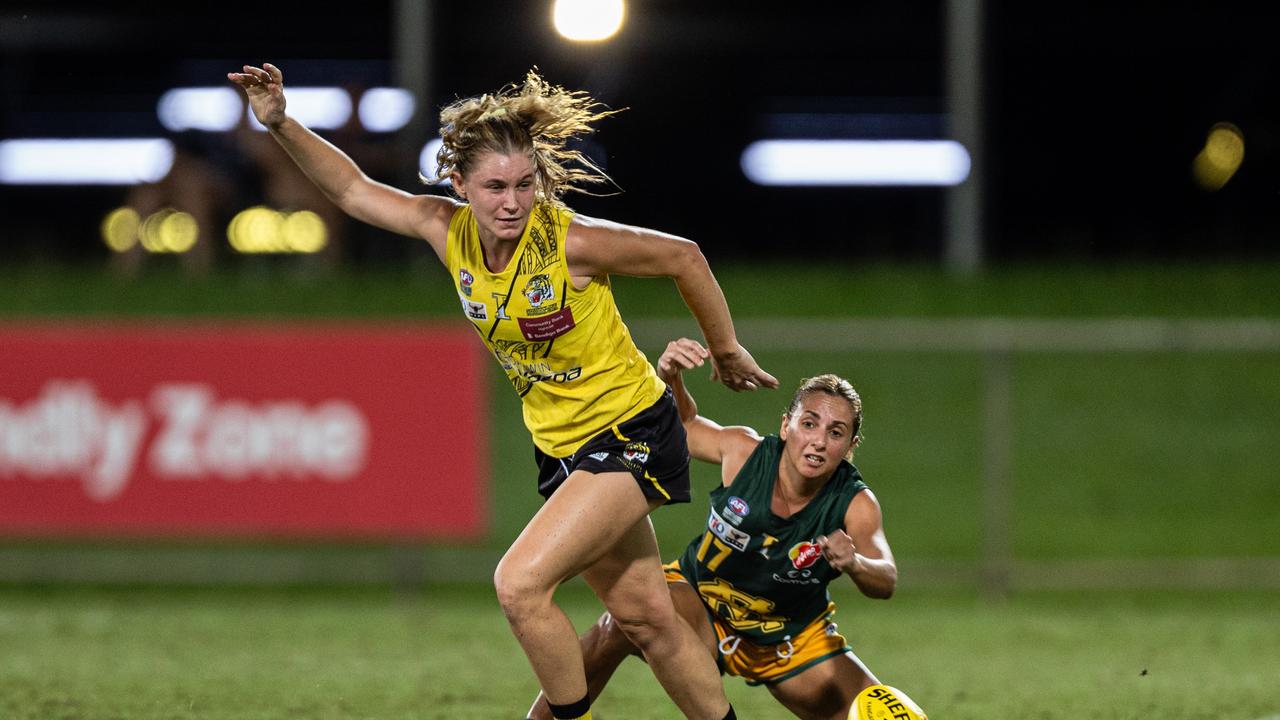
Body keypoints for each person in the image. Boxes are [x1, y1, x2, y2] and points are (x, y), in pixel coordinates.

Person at [227, 63, 778, 720]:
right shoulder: (446, 229)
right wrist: (283, 123)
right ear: (459, 183)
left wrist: (725, 348)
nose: (511, 202)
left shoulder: (570, 243)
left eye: (524, 184)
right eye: (493, 187)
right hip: (566, 449)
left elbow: (684, 255)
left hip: (632, 433)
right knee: (647, 621)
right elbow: (350, 190)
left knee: (519, 586)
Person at [529, 338, 930, 720]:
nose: (819, 441)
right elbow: (681, 426)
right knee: (620, 623)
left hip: (792, 638)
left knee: (883, 713)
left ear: (850, 445)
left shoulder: (855, 502)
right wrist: (670, 377)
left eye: (836, 432)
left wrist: (856, 563)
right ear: (787, 425)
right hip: (701, 604)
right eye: (810, 423)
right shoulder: (743, 453)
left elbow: (887, 578)